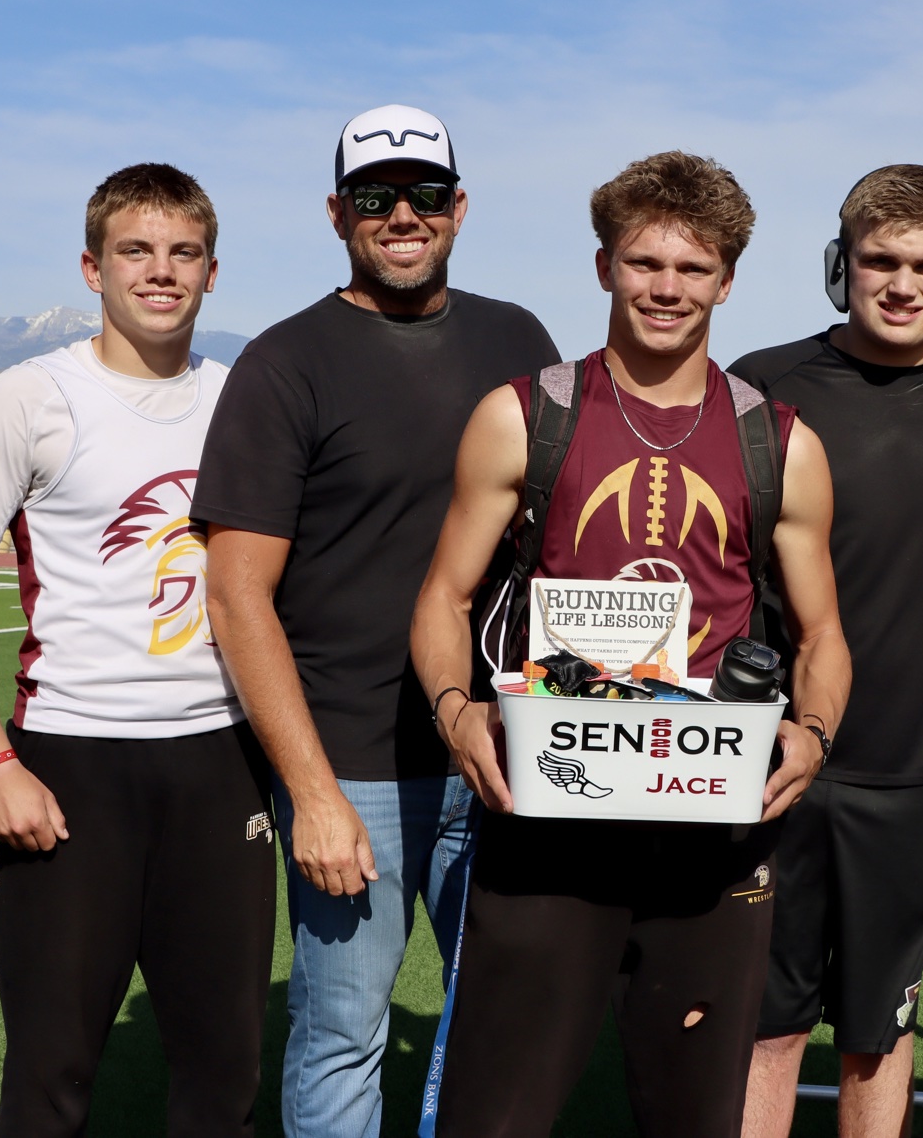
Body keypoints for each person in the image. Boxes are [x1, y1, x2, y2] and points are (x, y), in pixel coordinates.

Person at [411, 150, 853, 1138]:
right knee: (495, 1116)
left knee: (693, 1118)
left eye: (693, 268)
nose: (666, 288)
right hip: (548, 821)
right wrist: (455, 711)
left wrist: (814, 732)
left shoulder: (781, 442)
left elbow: (823, 633)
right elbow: (443, 595)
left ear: (727, 282)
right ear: (605, 265)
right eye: (645, 262)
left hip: (709, 834)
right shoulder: (526, 415)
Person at [192, 105, 559, 1138]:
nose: (402, 215)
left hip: (501, 754)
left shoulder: (519, 340)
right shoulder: (285, 361)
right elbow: (236, 595)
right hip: (354, 767)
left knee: (505, 1026)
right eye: (374, 196)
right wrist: (312, 793)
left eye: (424, 193)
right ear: (336, 212)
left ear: (459, 208)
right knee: (343, 1033)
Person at [0, 163, 274, 1138]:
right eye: (135, 250)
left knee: (224, 1078)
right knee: (51, 1075)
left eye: (184, 252)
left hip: (221, 764)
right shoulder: (30, 397)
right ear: (91, 267)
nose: (161, 271)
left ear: (211, 272)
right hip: (74, 765)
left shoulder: (245, 400)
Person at [729, 165, 923, 1138]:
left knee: (878, 1035)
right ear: (841, 264)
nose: (903, 284)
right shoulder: (762, 384)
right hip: (771, 761)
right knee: (764, 1028)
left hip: (916, 773)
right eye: (881, 260)